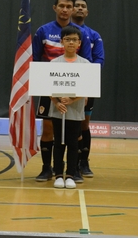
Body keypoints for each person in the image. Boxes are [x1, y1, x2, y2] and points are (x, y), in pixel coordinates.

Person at [32, 0, 92, 182]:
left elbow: (88, 65)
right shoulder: (43, 31)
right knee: (49, 129)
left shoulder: (82, 33)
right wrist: (45, 89)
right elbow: (35, 60)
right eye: (62, 6)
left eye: (68, 7)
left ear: (73, 9)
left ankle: (74, 170)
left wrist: (84, 94)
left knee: (76, 131)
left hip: (75, 92)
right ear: (55, 8)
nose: (65, 10)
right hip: (50, 90)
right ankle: (47, 168)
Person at [49, 26, 89, 189]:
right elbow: (47, 87)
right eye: (67, 39)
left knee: (73, 143)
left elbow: (88, 88)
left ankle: (71, 174)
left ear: (79, 43)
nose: (71, 42)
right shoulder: (54, 63)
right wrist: (57, 102)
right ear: (62, 42)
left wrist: (73, 99)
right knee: (58, 143)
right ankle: (58, 174)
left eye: (74, 40)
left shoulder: (85, 64)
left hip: (75, 111)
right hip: (58, 111)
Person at [71, 0, 104, 180]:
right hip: (63, 82)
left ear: (87, 12)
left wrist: (86, 81)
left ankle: (83, 162)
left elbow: (99, 61)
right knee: (59, 124)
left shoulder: (94, 35)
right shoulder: (63, 32)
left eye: (83, 6)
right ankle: (62, 164)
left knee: (83, 123)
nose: (80, 8)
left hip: (86, 84)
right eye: (77, 6)